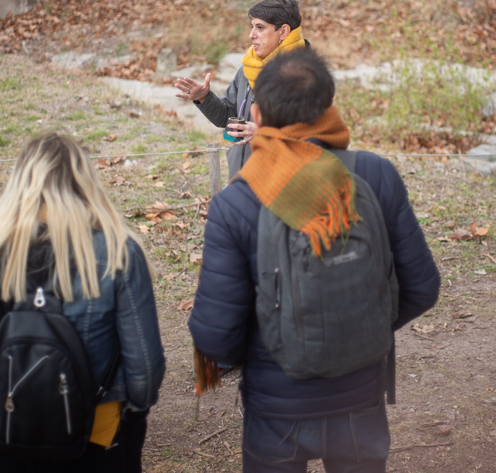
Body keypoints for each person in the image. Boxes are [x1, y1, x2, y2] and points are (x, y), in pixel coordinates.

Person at [188, 49, 440, 473]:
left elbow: (216, 337)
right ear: (327, 106)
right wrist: (357, 321)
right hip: (361, 395)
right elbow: (421, 287)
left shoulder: (237, 200)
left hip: (276, 405)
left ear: (257, 111)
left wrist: (283, 335)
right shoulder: (376, 175)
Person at [0, 133, 165, 473]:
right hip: (96, 435)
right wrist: (133, 414)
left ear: (19, 182)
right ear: (85, 184)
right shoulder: (117, 253)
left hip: (6, 428)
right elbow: (144, 370)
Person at [174, 0, 308, 178]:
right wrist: (204, 98)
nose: (251, 35)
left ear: (283, 32)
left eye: (260, 27)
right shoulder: (248, 69)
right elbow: (227, 118)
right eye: (252, 27)